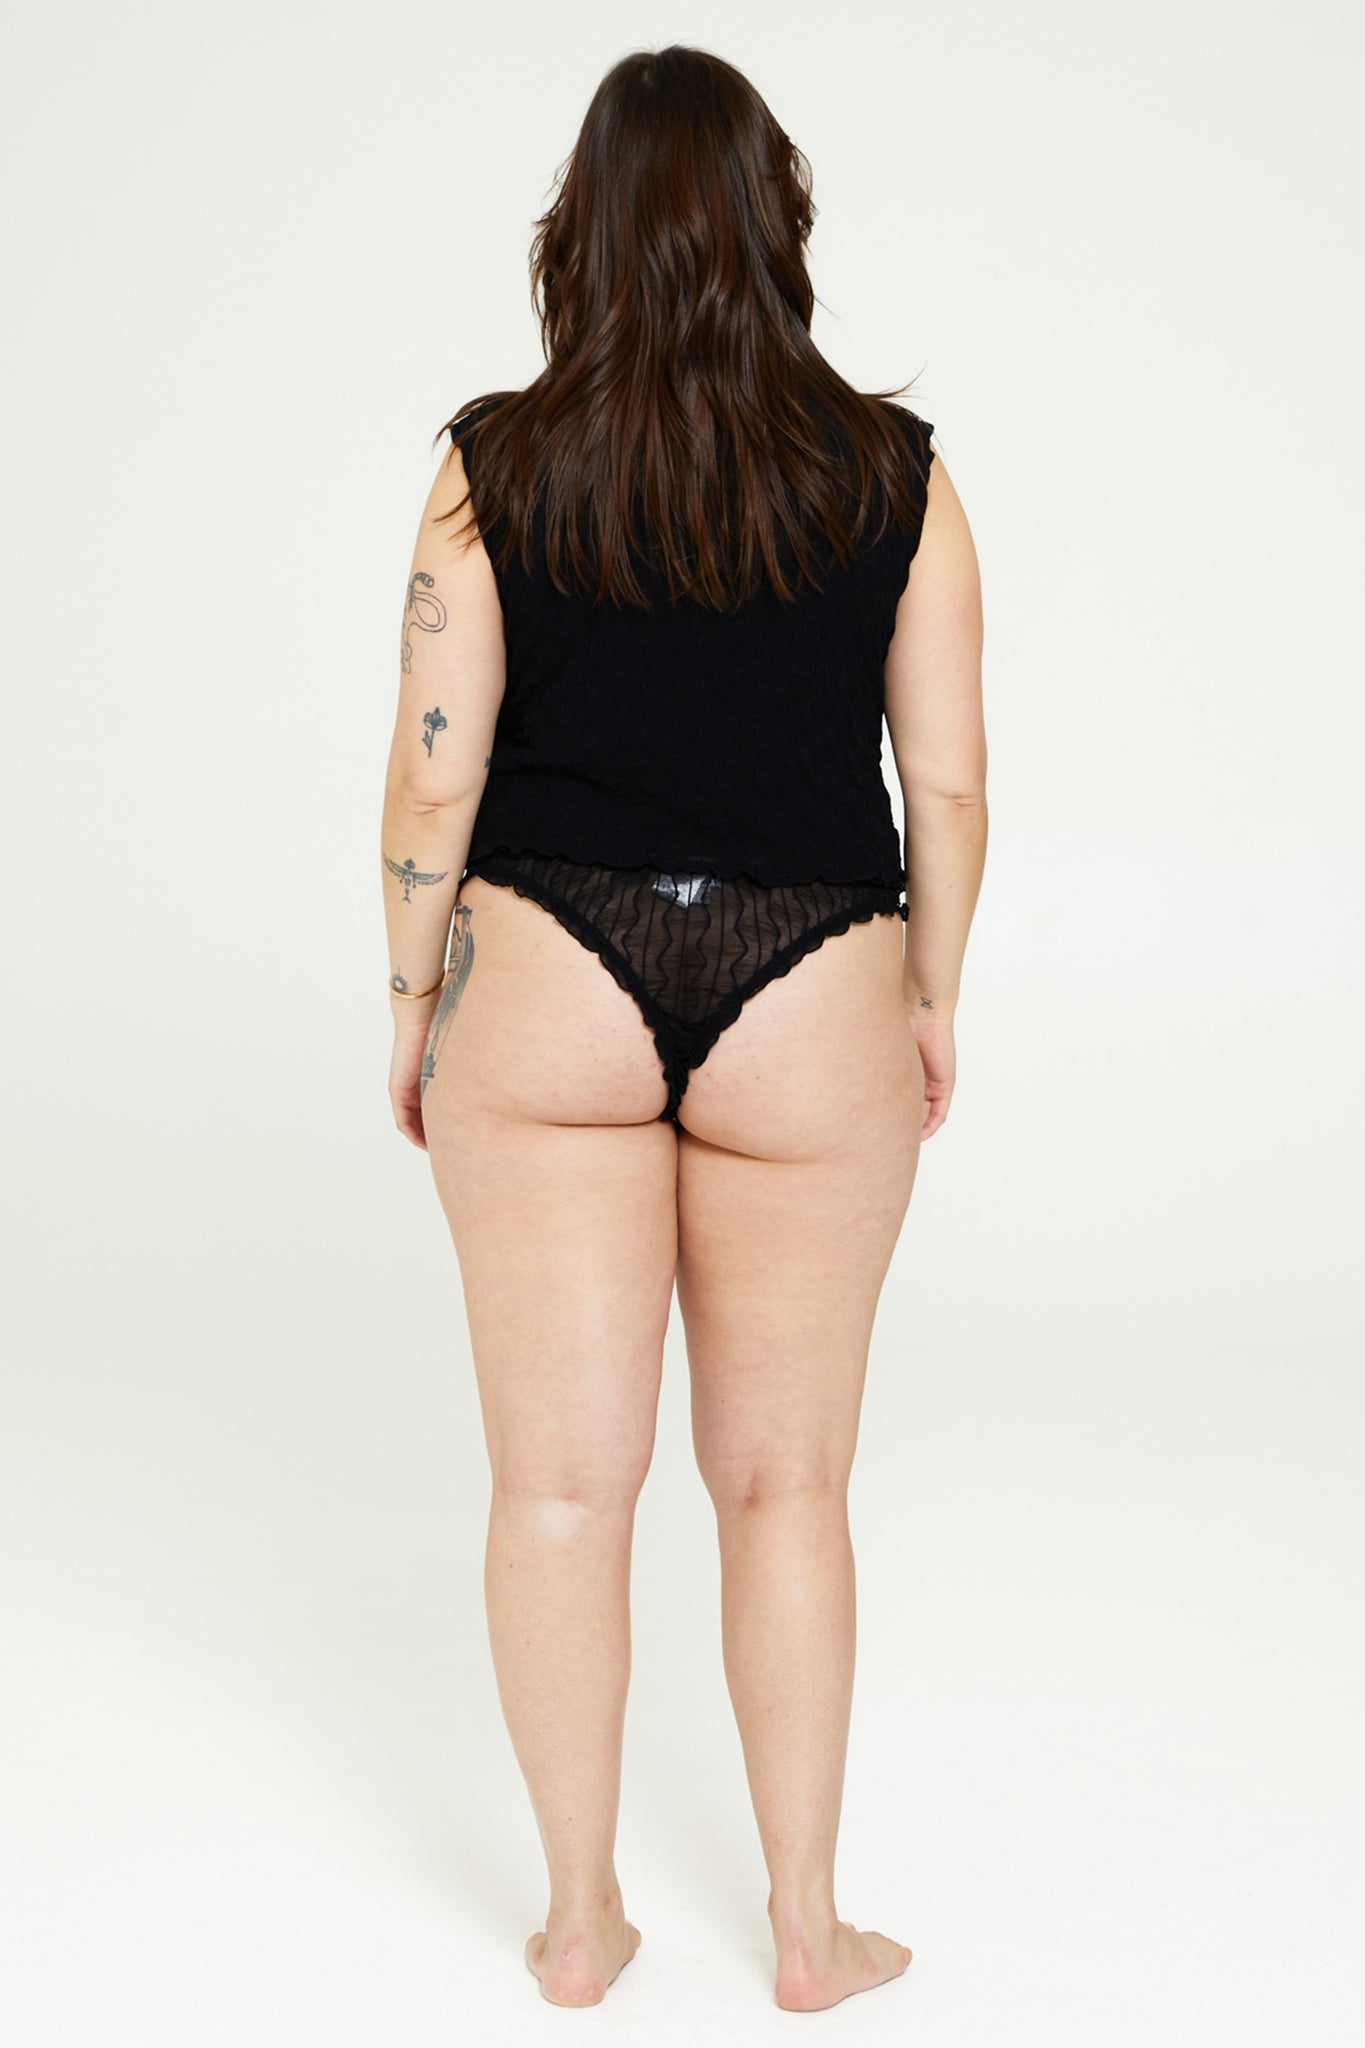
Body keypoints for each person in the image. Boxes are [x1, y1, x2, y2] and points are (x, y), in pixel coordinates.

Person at [378, 43, 986, 2016]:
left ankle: (579, 1923)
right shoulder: (891, 474)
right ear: (770, 224)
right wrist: (927, 992)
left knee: (559, 1490)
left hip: (546, 977)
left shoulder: (493, 463)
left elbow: (432, 768)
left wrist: (414, 1005)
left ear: (582, 235)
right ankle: (807, 1931)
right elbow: (946, 782)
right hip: (815, 982)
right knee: (786, 1487)